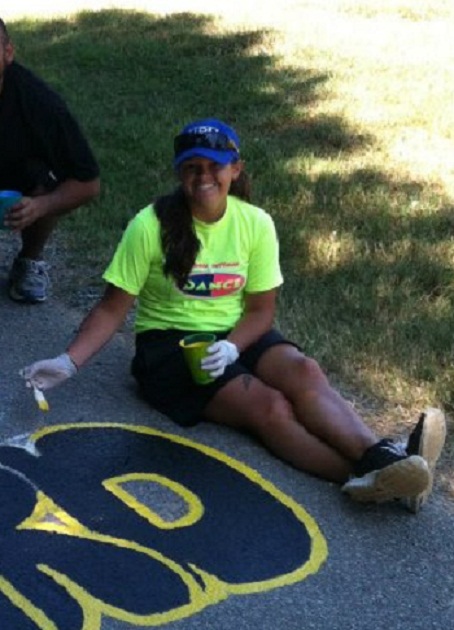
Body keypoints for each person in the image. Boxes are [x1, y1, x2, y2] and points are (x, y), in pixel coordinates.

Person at [21, 117, 446, 512]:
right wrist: (68, 362)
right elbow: (113, 307)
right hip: (170, 349)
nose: (203, 176)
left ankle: (382, 457)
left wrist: (230, 347)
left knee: (304, 370)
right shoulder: (148, 225)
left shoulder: (256, 223)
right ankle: (371, 479)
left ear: (235, 169)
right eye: (192, 168)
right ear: (179, 173)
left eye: (215, 166)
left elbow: (261, 311)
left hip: (237, 332)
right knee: (269, 406)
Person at [0, 18, 100, 303]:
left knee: (47, 180)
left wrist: (40, 206)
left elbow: (88, 183)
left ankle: (29, 261)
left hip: (16, 182)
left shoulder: (41, 105)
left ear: (8, 53)